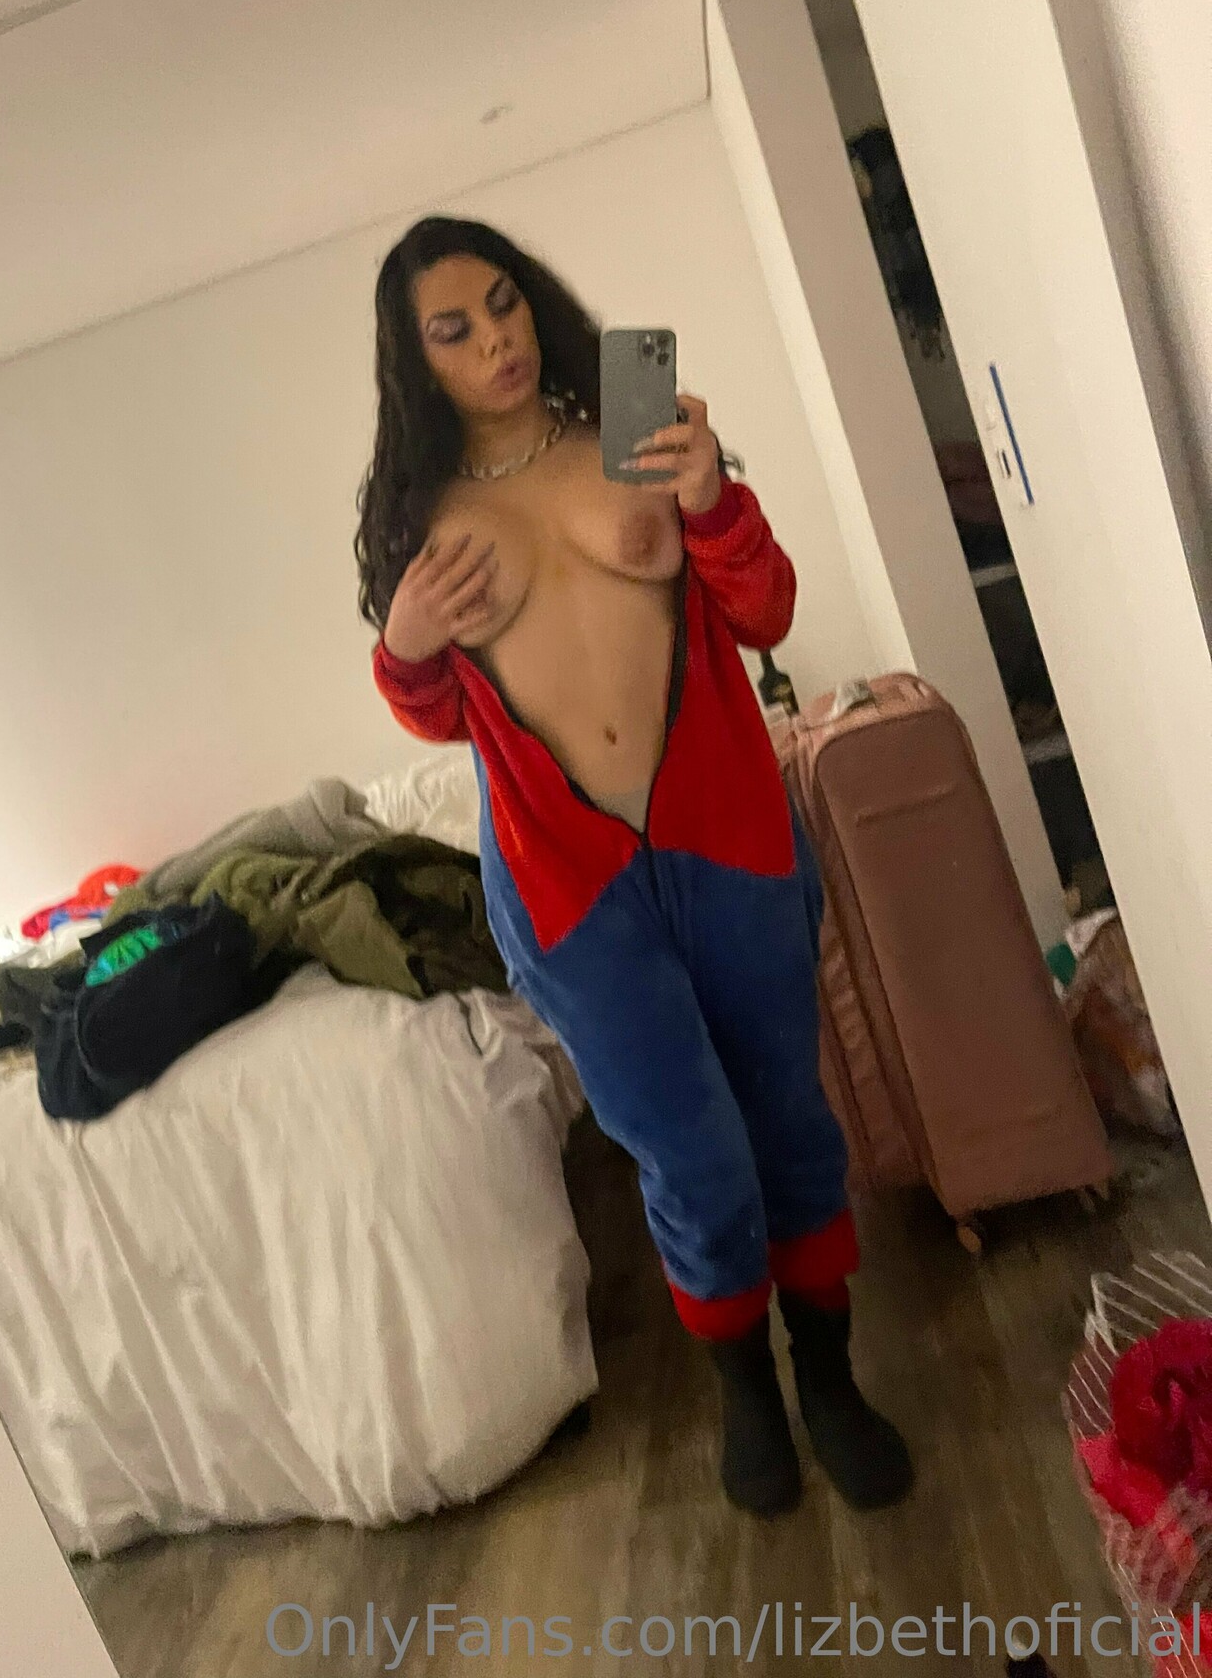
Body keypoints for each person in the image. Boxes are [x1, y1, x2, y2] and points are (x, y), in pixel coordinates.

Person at [356, 214, 912, 1516]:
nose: (496, 340)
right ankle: (745, 1391)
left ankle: (831, 1380)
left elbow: (765, 610)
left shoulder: (632, 413)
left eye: (505, 303)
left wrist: (712, 499)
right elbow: (441, 716)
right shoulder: (419, 515)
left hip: (726, 836)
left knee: (789, 1120)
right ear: (415, 359)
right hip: (572, 888)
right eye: (454, 330)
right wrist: (403, 645)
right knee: (691, 1156)